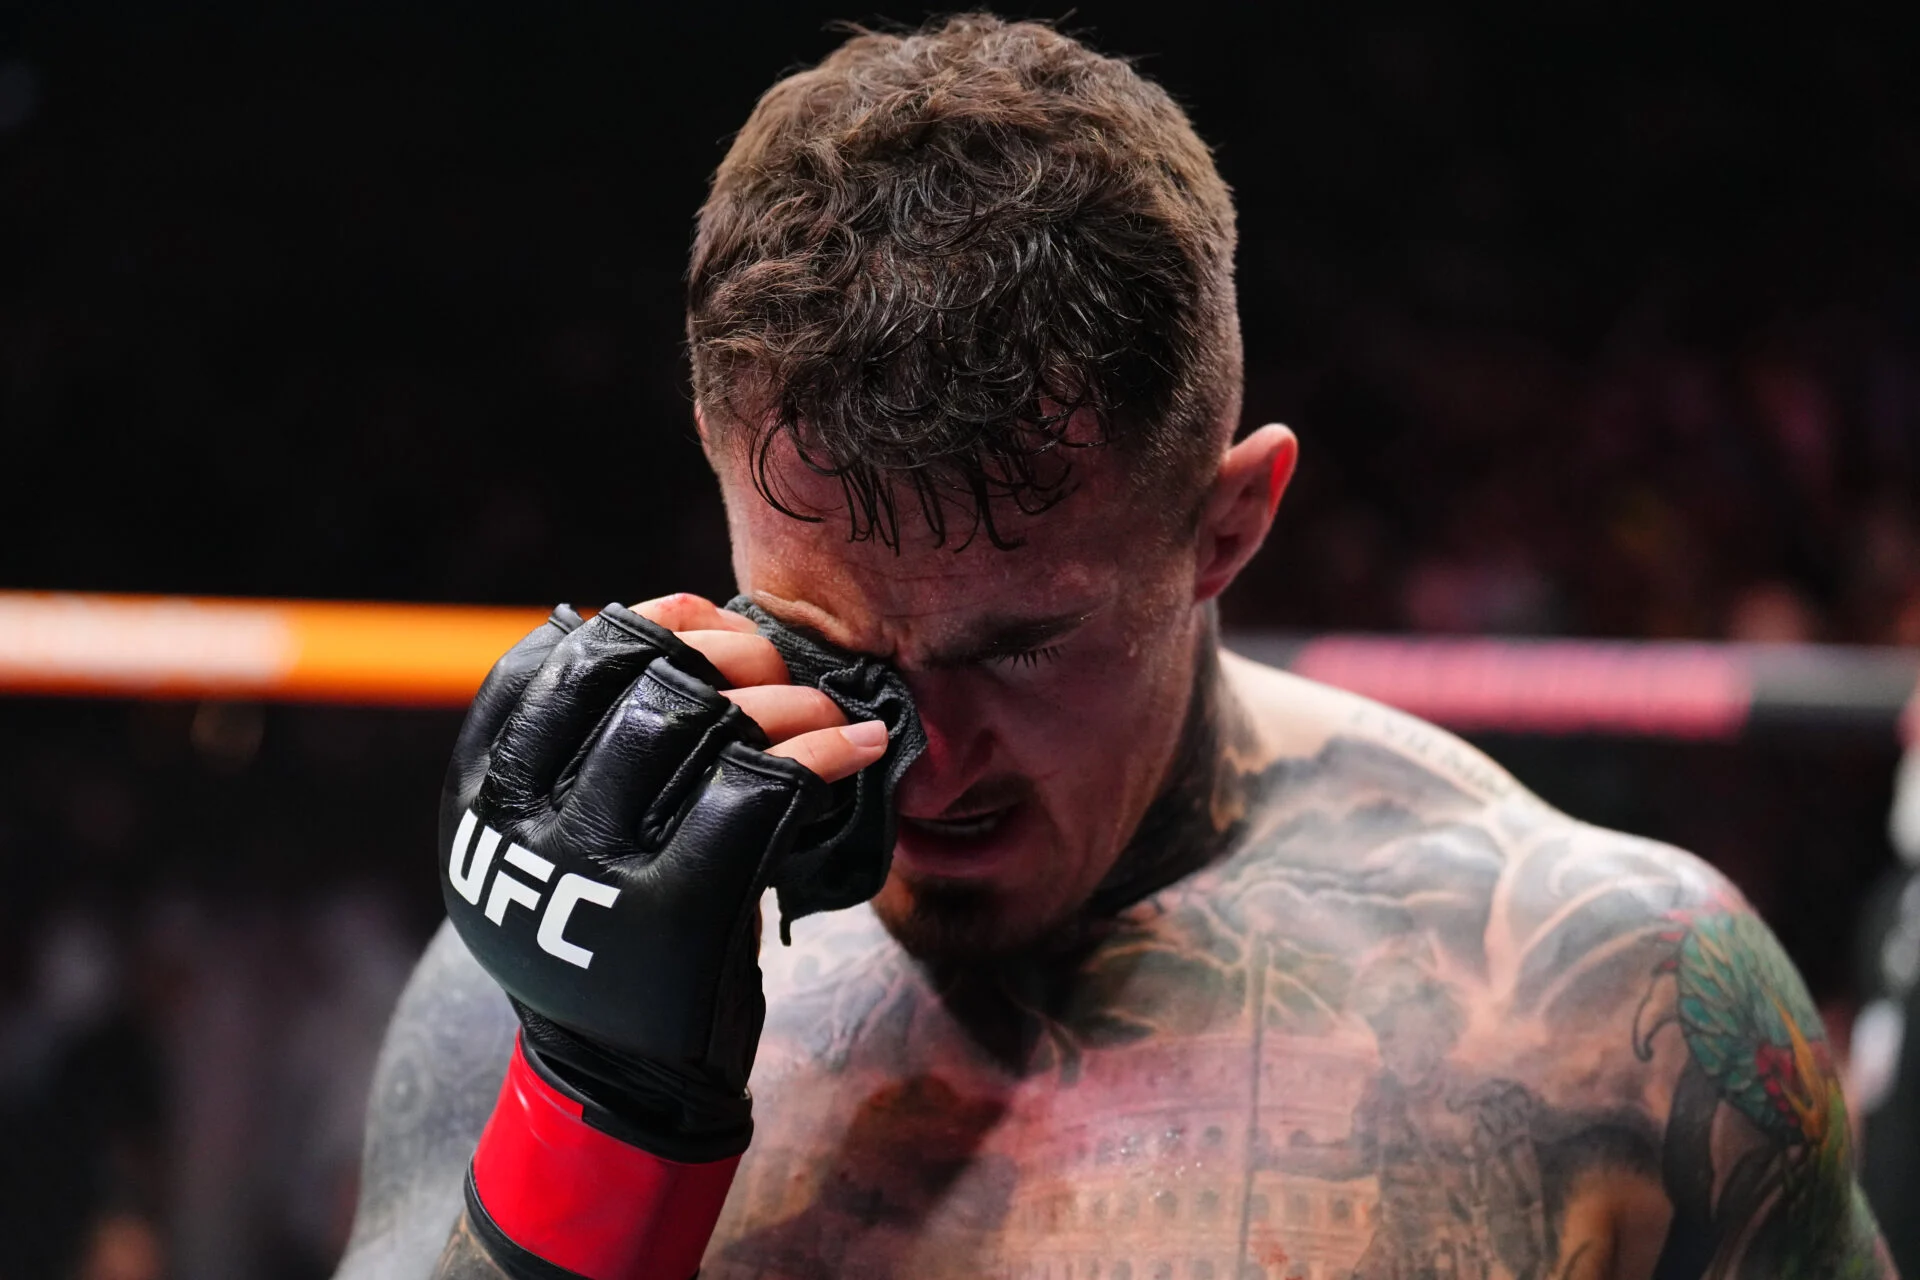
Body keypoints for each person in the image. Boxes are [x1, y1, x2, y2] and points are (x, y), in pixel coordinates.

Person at [332, 16, 1895, 1279]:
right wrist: (594, 1127)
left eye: (1018, 648)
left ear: (1229, 526)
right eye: (826, 646)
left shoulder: (1608, 1005)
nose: (922, 764)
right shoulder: (562, 979)